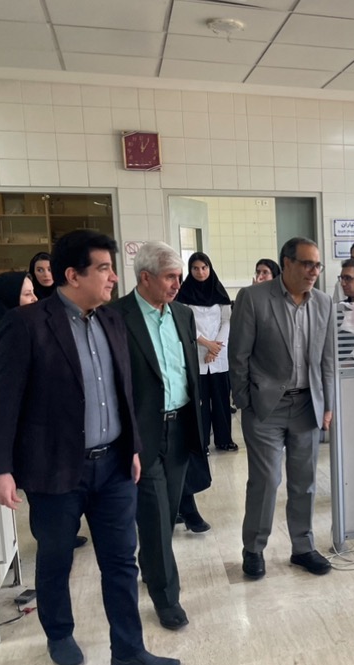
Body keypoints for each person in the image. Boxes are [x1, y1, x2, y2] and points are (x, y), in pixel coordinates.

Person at [0, 229, 179, 665]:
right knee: (56, 557)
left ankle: (128, 650)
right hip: (55, 467)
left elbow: (124, 390)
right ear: (73, 275)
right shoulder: (27, 324)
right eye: (104, 268)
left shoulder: (112, 319)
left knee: (121, 561)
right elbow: (3, 400)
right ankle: (59, 633)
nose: (113, 277)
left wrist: (132, 447)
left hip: (113, 465)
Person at [229, 237, 335, 579]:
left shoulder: (323, 302)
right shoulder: (253, 298)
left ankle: (303, 547)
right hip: (266, 407)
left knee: (304, 482)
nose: (314, 271)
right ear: (286, 263)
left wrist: (328, 404)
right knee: (266, 480)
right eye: (307, 263)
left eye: (317, 265)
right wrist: (244, 400)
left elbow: (327, 360)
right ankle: (254, 548)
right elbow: (239, 354)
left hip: (307, 405)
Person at [115, 242, 208, 630]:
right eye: (170, 277)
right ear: (145, 278)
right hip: (143, 432)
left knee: (166, 514)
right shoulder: (116, 317)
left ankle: (151, 563)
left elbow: (189, 371)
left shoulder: (183, 314)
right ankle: (166, 597)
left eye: (179, 276)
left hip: (181, 425)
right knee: (154, 517)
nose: (177, 284)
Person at [177, 252, 237, 455]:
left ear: (210, 268)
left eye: (204, 268)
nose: (200, 272)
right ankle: (201, 443)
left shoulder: (219, 292)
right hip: (197, 353)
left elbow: (226, 321)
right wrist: (206, 344)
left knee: (221, 400)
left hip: (218, 355)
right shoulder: (183, 294)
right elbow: (185, 323)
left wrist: (215, 348)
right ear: (190, 270)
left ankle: (224, 440)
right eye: (195, 268)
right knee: (200, 402)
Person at [0, 271, 37, 421]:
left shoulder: (18, 326)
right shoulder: (0, 331)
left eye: (33, 292)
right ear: (10, 298)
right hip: (7, 415)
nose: (35, 299)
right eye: (28, 294)